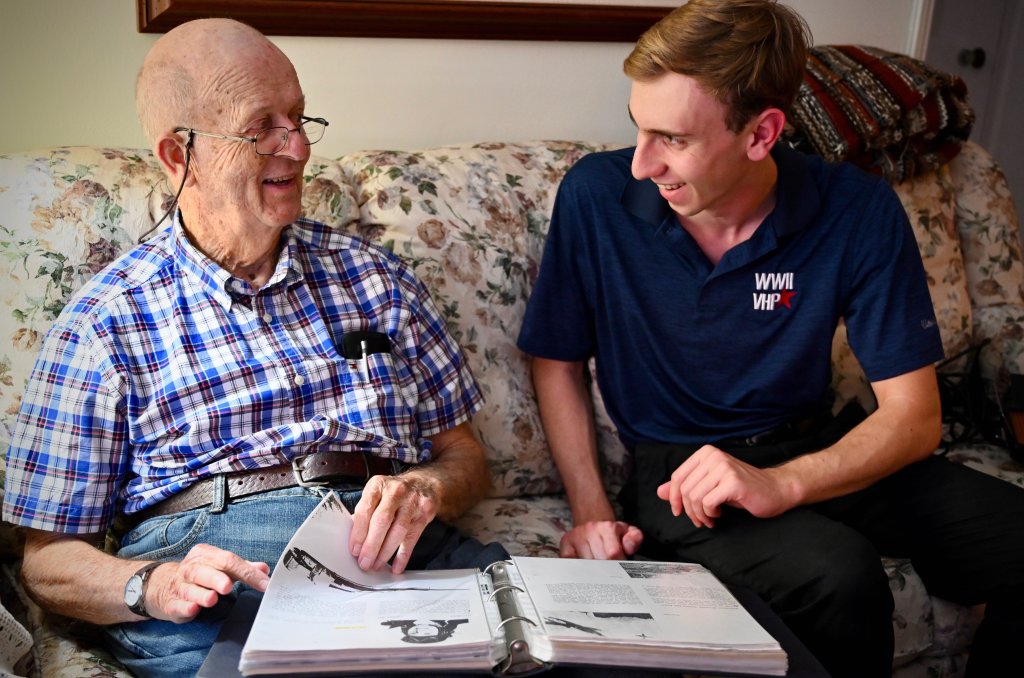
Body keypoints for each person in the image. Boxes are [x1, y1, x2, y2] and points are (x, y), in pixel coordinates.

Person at [517, 1, 1024, 677]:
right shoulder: (596, 198)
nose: (642, 164)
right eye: (639, 130)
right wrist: (590, 511)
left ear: (763, 134)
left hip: (814, 445)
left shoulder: (859, 209)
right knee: (838, 576)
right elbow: (555, 360)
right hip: (680, 477)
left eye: (672, 139)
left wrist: (782, 483)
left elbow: (914, 419)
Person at [2, 18, 507, 678]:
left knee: (565, 648)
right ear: (179, 155)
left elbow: (464, 455)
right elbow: (45, 560)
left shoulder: (377, 278)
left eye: (298, 118)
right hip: (222, 567)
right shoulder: (104, 322)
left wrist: (425, 488)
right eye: (260, 126)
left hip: (388, 549)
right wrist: (151, 586)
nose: (296, 148)